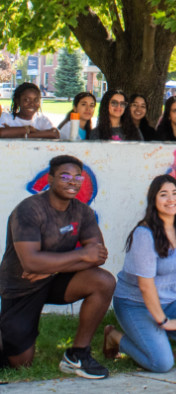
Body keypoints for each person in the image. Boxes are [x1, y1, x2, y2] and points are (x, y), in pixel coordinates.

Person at [0, 156, 115, 377]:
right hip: (21, 286)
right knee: (19, 364)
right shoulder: (28, 210)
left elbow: (98, 255)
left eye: (77, 177)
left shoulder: (82, 212)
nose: (72, 181)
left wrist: (50, 268)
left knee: (103, 281)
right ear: (50, 179)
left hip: (55, 279)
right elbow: (30, 262)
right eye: (64, 176)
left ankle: (77, 354)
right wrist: (81, 254)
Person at [104, 175, 176, 373]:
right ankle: (115, 337)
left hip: (171, 300)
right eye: (163, 195)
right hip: (136, 303)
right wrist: (164, 321)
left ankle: (158, 337)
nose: (171, 199)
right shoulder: (144, 234)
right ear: (153, 201)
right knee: (162, 364)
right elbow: (145, 286)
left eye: (175, 194)